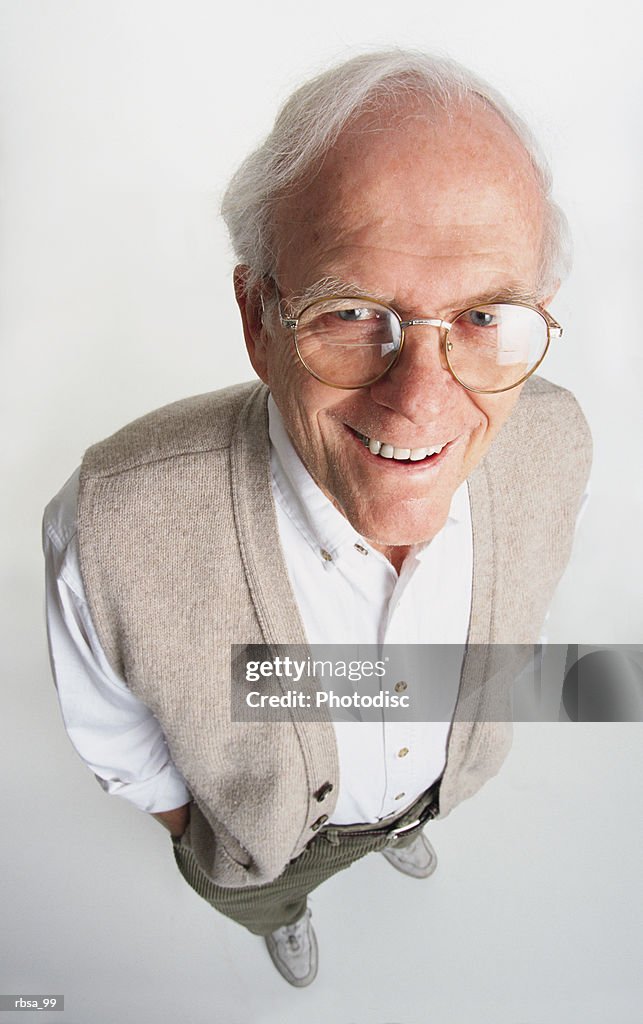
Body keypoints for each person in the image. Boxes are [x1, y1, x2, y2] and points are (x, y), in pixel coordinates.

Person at [43, 50, 591, 987]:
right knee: (266, 886)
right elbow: (118, 739)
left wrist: (427, 773)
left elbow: (511, 631)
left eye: (481, 315)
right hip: (258, 848)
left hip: (434, 783)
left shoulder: (556, 439)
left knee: (407, 809)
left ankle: (399, 828)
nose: (422, 404)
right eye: (351, 310)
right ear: (258, 317)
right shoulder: (109, 520)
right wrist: (232, 838)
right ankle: (280, 909)